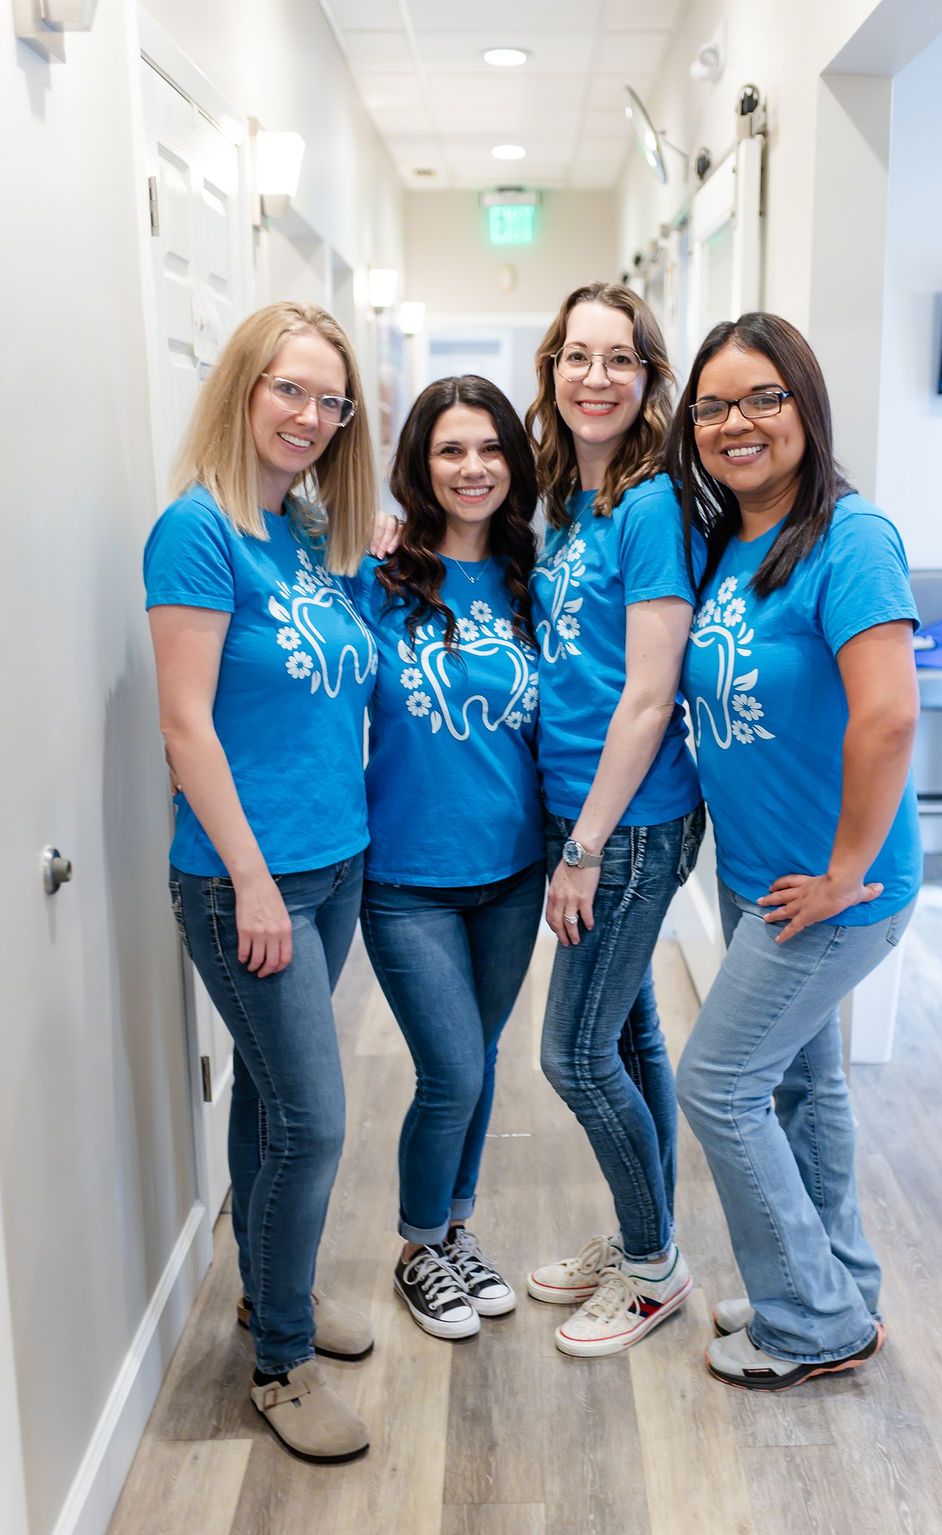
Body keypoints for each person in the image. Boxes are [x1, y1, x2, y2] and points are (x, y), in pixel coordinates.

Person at [666, 312, 921, 1391]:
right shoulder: (731, 540)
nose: (737, 422)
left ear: (804, 407)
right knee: (802, 1086)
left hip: (831, 891)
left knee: (718, 1084)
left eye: (763, 397)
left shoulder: (850, 538)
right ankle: (834, 1284)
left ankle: (808, 1319)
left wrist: (844, 870)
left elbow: (889, 717)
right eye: (714, 405)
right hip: (761, 880)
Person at [143, 302, 378, 1462]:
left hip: (331, 865)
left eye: (331, 401)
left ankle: (261, 1291)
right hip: (248, 879)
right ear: (242, 384)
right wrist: (250, 878)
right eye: (291, 389)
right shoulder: (195, 532)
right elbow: (186, 724)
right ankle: (280, 1361)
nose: (311, 417)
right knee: (317, 1120)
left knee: (270, 1103)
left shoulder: (302, 531)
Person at [524, 282, 706, 1357]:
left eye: (620, 359)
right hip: (583, 810)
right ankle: (650, 1234)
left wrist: (585, 847)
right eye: (578, 356)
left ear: (648, 379)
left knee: (575, 1055)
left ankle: (650, 1267)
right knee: (630, 1035)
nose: (596, 377)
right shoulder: (569, 500)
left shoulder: (649, 505)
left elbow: (647, 694)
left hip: (628, 822)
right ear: (553, 369)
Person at [356, 376, 545, 1341]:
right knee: (452, 1071)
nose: (472, 469)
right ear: (421, 466)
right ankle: (415, 1248)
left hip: (513, 871)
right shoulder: (376, 575)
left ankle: (454, 1231)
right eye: (450, 451)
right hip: (404, 879)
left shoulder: (533, 578)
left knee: (483, 1056)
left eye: (490, 450)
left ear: (514, 462)